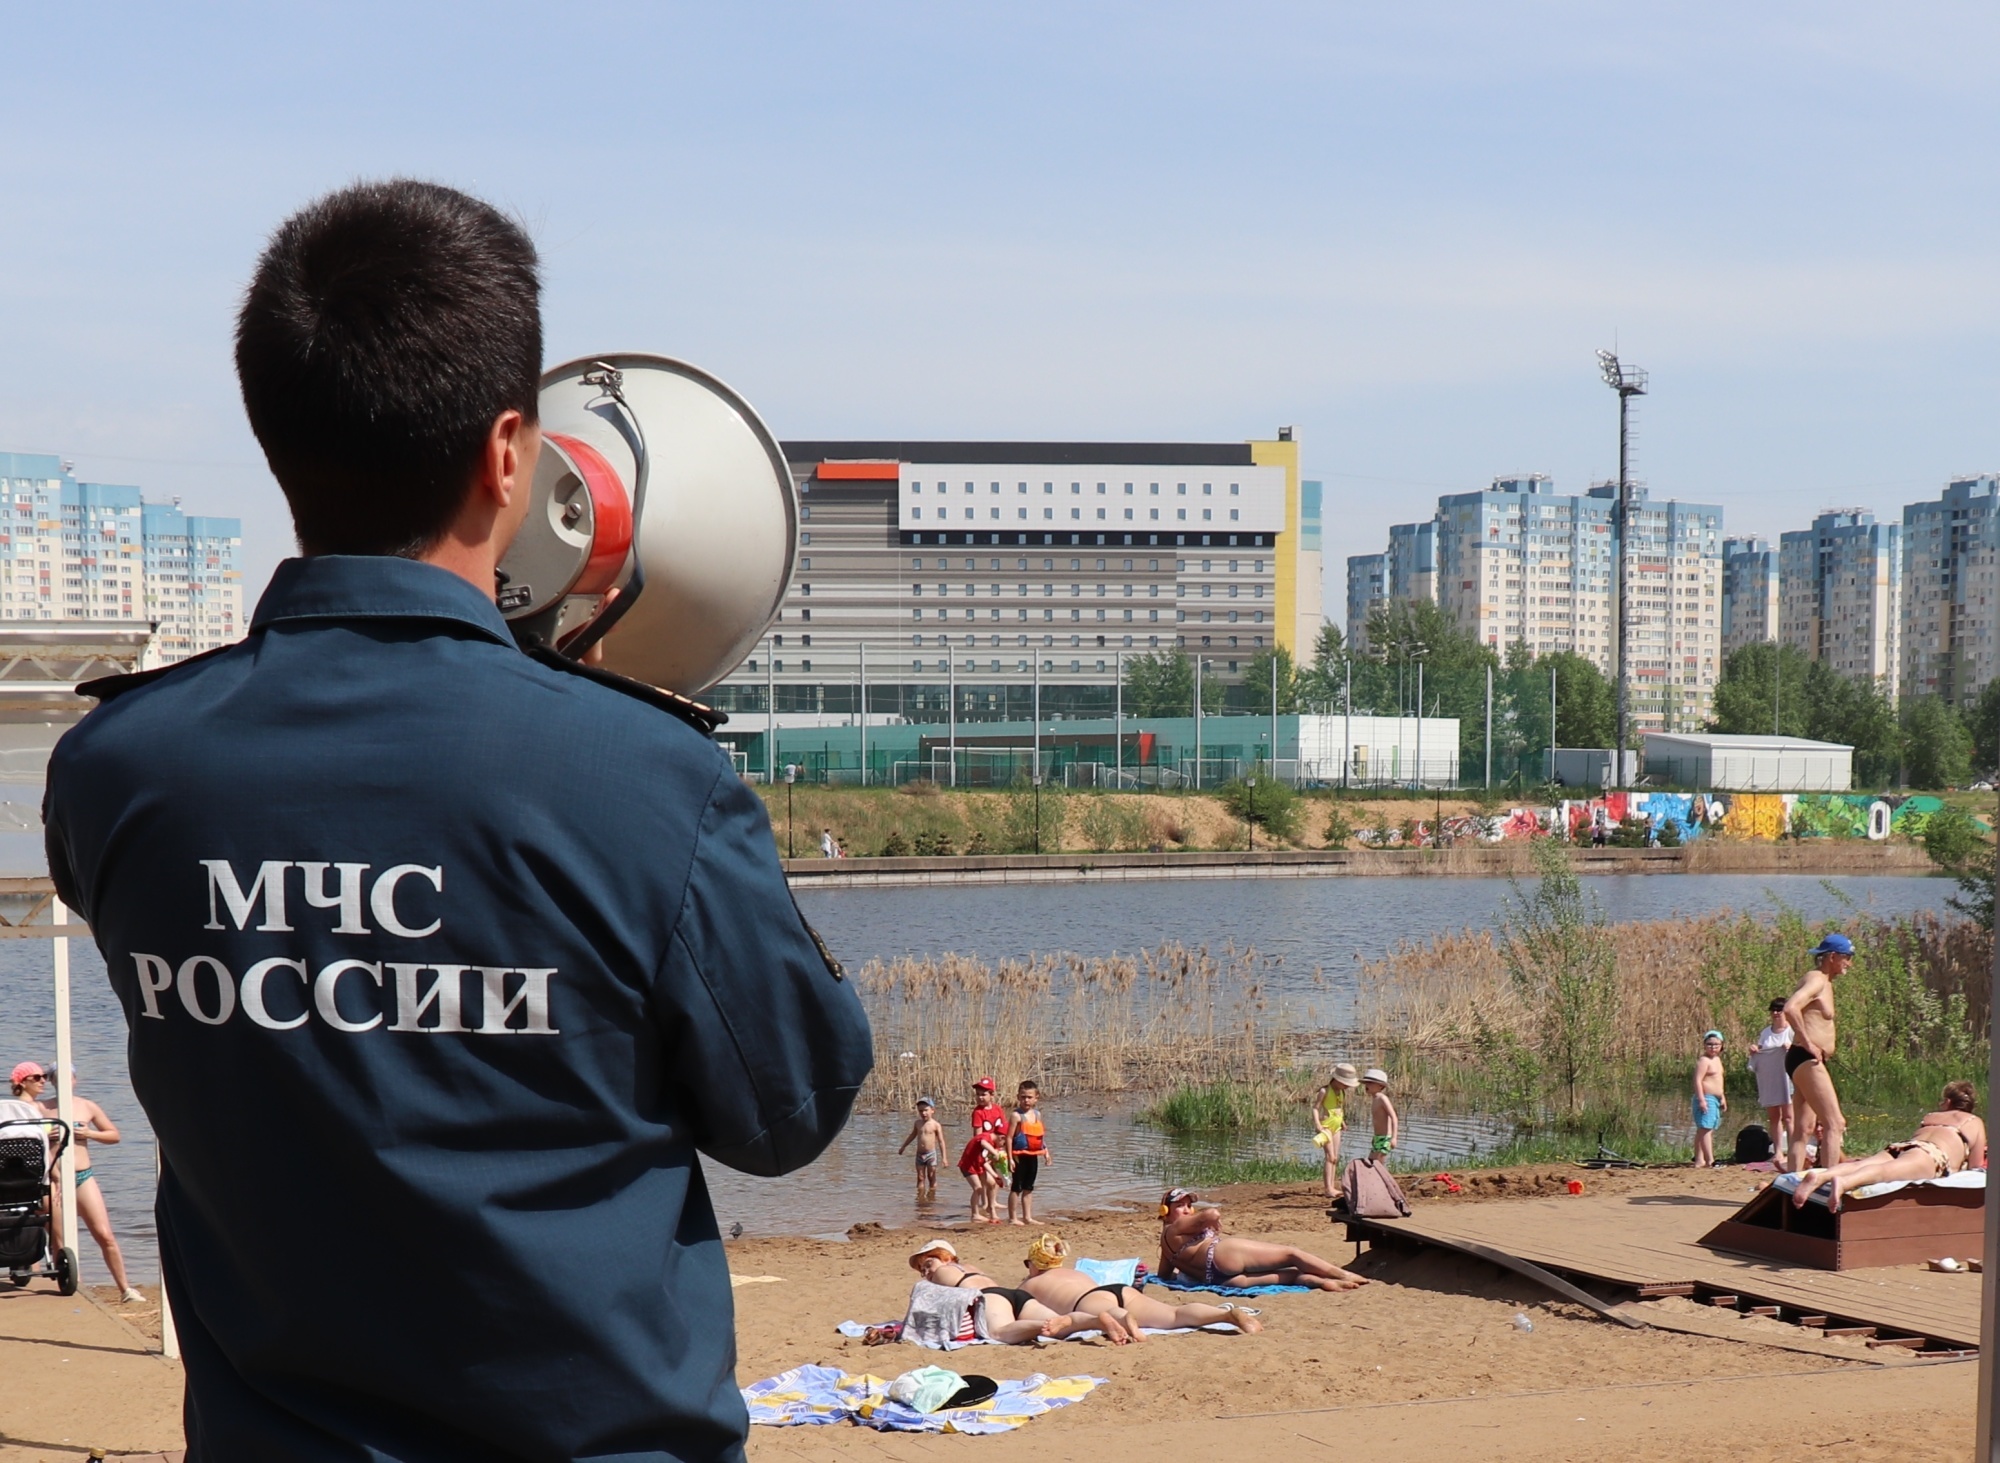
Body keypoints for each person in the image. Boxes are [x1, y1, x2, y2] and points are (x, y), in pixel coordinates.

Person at [42, 180, 873, 1463]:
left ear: (275, 435)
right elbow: (788, 1109)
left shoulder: (116, 765)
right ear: (505, 455)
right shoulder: (646, 779)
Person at [30, 1065, 145, 1302]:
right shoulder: (41, 1108)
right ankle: (74, 1287)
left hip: (83, 1177)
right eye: (57, 1078)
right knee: (59, 1238)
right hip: (54, 1178)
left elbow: (114, 1135)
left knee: (104, 1234)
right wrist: (44, 1135)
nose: (63, 1081)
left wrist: (89, 1134)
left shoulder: (87, 1106)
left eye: (68, 1077)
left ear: (75, 1080)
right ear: (51, 1081)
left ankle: (125, 1288)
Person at [1018, 1232, 1262, 1338]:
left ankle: (1129, 1325)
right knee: (1175, 1314)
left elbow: (1022, 1309)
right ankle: (1226, 1314)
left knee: (1111, 1314)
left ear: (1034, 1263)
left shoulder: (1031, 1282)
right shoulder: (1073, 1273)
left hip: (1087, 1301)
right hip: (1116, 1289)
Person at [1791, 1081, 1986, 1212]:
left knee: (1864, 1163)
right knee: (1883, 1172)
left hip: (1906, 1145)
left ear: (1947, 1102)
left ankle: (1821, 1175)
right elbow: (1975, 1167)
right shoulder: (1974, 1121)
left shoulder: (1931, 1116)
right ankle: (1844, 1183)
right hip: (1932, 1154)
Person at [902, 1239, 1130, 1344]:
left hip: (991, 1299)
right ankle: (1096, 1321)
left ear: (947, 1257)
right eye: (922, 1270)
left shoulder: (945, 1272)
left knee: (999, 1332)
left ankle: (1045, 1327)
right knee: (1062, 1326)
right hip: (1014, 1296)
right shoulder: (971, 1268)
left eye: (928, 1264)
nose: (926, 1273)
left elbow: (930, 1304)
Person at [1156, 1187, 1368, 1291]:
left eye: (1188, 1205)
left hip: (1219, 1279)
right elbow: (1213, 1214)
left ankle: (1325, 1283)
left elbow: (1164, 1275)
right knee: (1292, 1254)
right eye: (1180, 1206)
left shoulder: (1165, 1245)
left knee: (1293, 1276)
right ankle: (1343, 1274)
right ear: (1165, 1211)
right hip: (1222, 1255)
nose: (1186, 1210)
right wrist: (1210, 1222)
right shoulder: (1176, 1227)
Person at [1783, 933, 1852, 1173]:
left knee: (1804, 1128)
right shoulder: (1817, 980)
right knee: (1835, 1123)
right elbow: (1791, 1008)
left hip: (1803, 1058)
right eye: (1847, 957)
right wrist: (1807, 1041)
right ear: (1832, 956)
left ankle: (1792, 1183)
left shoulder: (1826, 983)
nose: (1849, 963)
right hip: (1806, 1057)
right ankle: (1830, 1183)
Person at [1747, 997, 1794, 1163]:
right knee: (1774, 1117)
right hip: (1769, 1077)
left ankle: (1794, 1150)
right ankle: (1778, 1151)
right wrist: (1755, 1049)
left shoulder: (1792, 1030)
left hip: (1787, 1077)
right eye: (1773, 1010)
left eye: (1779, 1010)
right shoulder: (1766, 1032)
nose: (1775, 1013)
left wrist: (1790, 1048)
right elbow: (1761, 1049)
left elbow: (1800, 1050)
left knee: (1789, 1116)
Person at [957, 1077, 1010, 1224]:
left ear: (992, 1094)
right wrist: (986, 1149)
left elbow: (1003, 1128)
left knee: (995, 1176)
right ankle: (985, 1203)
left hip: (996, 1145)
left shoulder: (998, 1109)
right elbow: (978, 1135)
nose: (980, 1097)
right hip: (984, 1148)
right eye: (978, 1094)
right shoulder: (978, 1112)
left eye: (983, 1094)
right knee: (983, 1179)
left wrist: (1002, 1147)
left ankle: (993, 1203)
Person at [1312, 1063, 1358, 1199]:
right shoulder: (1324, 1091)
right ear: (1338, 1080)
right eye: (1346, 1083)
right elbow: (1316, 1108)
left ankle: (1332, 1185)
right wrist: (1318, 1124)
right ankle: (1328, 1188)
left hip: (1336, 1126)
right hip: (1326, 1127)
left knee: (1335, 1158)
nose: (1347, 1086)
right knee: (1330, 1157)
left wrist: (1342, 1122)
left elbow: (1339, 1108)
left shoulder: (1341, 1092)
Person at [1006, 1080, 1050, 1225]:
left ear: (1036, 1098)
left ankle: (1027, 1217)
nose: (1026, 1100)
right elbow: (1009, 1138)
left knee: (1028, 1188)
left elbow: (1040, 1136)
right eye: (1023, 1097)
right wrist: (1010, 1158)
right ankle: (1013, 1218)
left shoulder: (1037, 1114)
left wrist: (1046, 1152)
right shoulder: (1016, 1116)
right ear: (1018, 1097)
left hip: (1033, 1156)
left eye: (1029, 1097)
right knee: (1016, 1187)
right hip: (1019, 1156)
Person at [897, 1097, 944, 1202]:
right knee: (920, 1177)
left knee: (931, 1176)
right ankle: (920, 1199)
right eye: (921, 1111)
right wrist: (903, 1146)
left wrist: (944, 1158)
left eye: (926, 1110)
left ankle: (932, 1197)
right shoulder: (917, 1123)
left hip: (931, 1154)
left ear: (932, 1110)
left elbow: (941, 1141)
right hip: (919, 1154)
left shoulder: (936, 1125)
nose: (923, 1113)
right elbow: (912, 1135)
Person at [1692, 1031, 1727, 1167]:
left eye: (1716, 1044)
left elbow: (1719, 1081)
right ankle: (1709, 1160)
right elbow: (1697, 1080)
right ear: (1704, 1045)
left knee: (1706, 1129)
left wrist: (1722, 1097)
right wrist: (1701, 1099)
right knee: (1705, 1129)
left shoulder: (1717, 1060)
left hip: (1715, 1098)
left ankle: (1699, 1159)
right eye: (1710, 1044)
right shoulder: (1704, 1061)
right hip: (1706, 1097)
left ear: (1721, 1045)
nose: (1713, 1047)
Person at [1362, 1067, 1398, 1156]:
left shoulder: (1382, 1099)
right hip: (1378, 1138)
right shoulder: (1375, 1099)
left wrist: (1394, 1138)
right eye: (1366, 1083)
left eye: (1370, 1083)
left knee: (1375, 1165)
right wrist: (1375, 1137)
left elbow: (1394, 1117)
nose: (1367, 1085)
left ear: (1380, 1086)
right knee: (1372, 1164)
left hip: (1385, 1139)